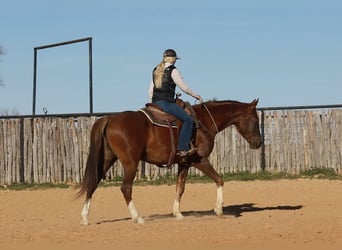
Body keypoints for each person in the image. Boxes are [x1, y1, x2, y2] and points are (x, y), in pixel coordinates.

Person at [148, 49, 203, 158]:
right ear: (173, 59)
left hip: (154, 103)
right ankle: (182, 148)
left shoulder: (156, 70)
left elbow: (150, 91)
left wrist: (154, 101)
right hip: (166, 103)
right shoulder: (173, 71)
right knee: (188, 120)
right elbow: (184, 87)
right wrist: (195, 95)